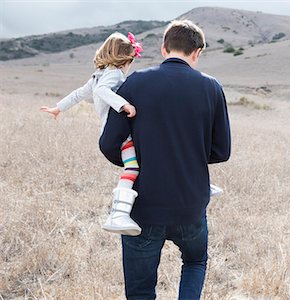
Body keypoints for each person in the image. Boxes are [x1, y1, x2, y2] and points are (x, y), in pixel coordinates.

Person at [99, 20, 231, 299]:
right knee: (195, 262)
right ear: (197, 53)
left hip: (143, 205)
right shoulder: (212, 88)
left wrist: (135, 164)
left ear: (163, 49)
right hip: (190, 204)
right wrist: (187, 154)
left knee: (140, 291)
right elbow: (222, 151)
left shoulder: (135, 83)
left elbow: (109, 143)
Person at [40, 32, 145, 236]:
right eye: (130, 61)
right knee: (132, 168)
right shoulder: (113, 74)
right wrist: (124, 105)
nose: (130, 66)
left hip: (111, 133)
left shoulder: (98, 75)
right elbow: (102, 92)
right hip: (121, 133)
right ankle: (119, 212)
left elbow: (80, 93)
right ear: (123, 59)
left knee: (138, 166)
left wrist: (58, 107)